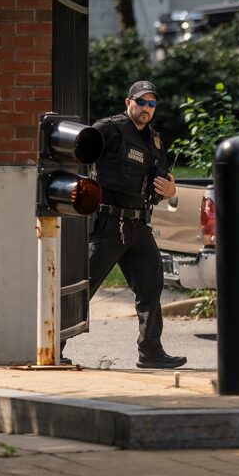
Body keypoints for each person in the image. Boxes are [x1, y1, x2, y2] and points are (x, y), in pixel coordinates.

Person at [64, 80, 186, 369]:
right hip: (108, 224)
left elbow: (161, 184)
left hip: (138, 227)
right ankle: (51, 345)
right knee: (84, 288)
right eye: (141, 102)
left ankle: (151, 352)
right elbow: (80, 150)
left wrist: (170, 192)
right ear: (128, 102)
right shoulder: (109, 128)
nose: (146, 108)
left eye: (152, 104)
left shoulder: (154, 141)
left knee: (151, 287)